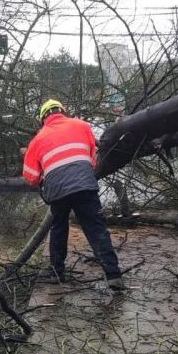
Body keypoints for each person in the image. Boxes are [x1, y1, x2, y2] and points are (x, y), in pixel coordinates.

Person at [21, 99, 123, 290]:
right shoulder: (82, 125)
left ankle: (57, 273)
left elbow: (32, 177)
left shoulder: (37, 139)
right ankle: (113, 275)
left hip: (58, 190)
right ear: (62, 111)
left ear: (43, 118)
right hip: (85, 184)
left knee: (59, 229)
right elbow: (93, 159)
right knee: (96, 228)